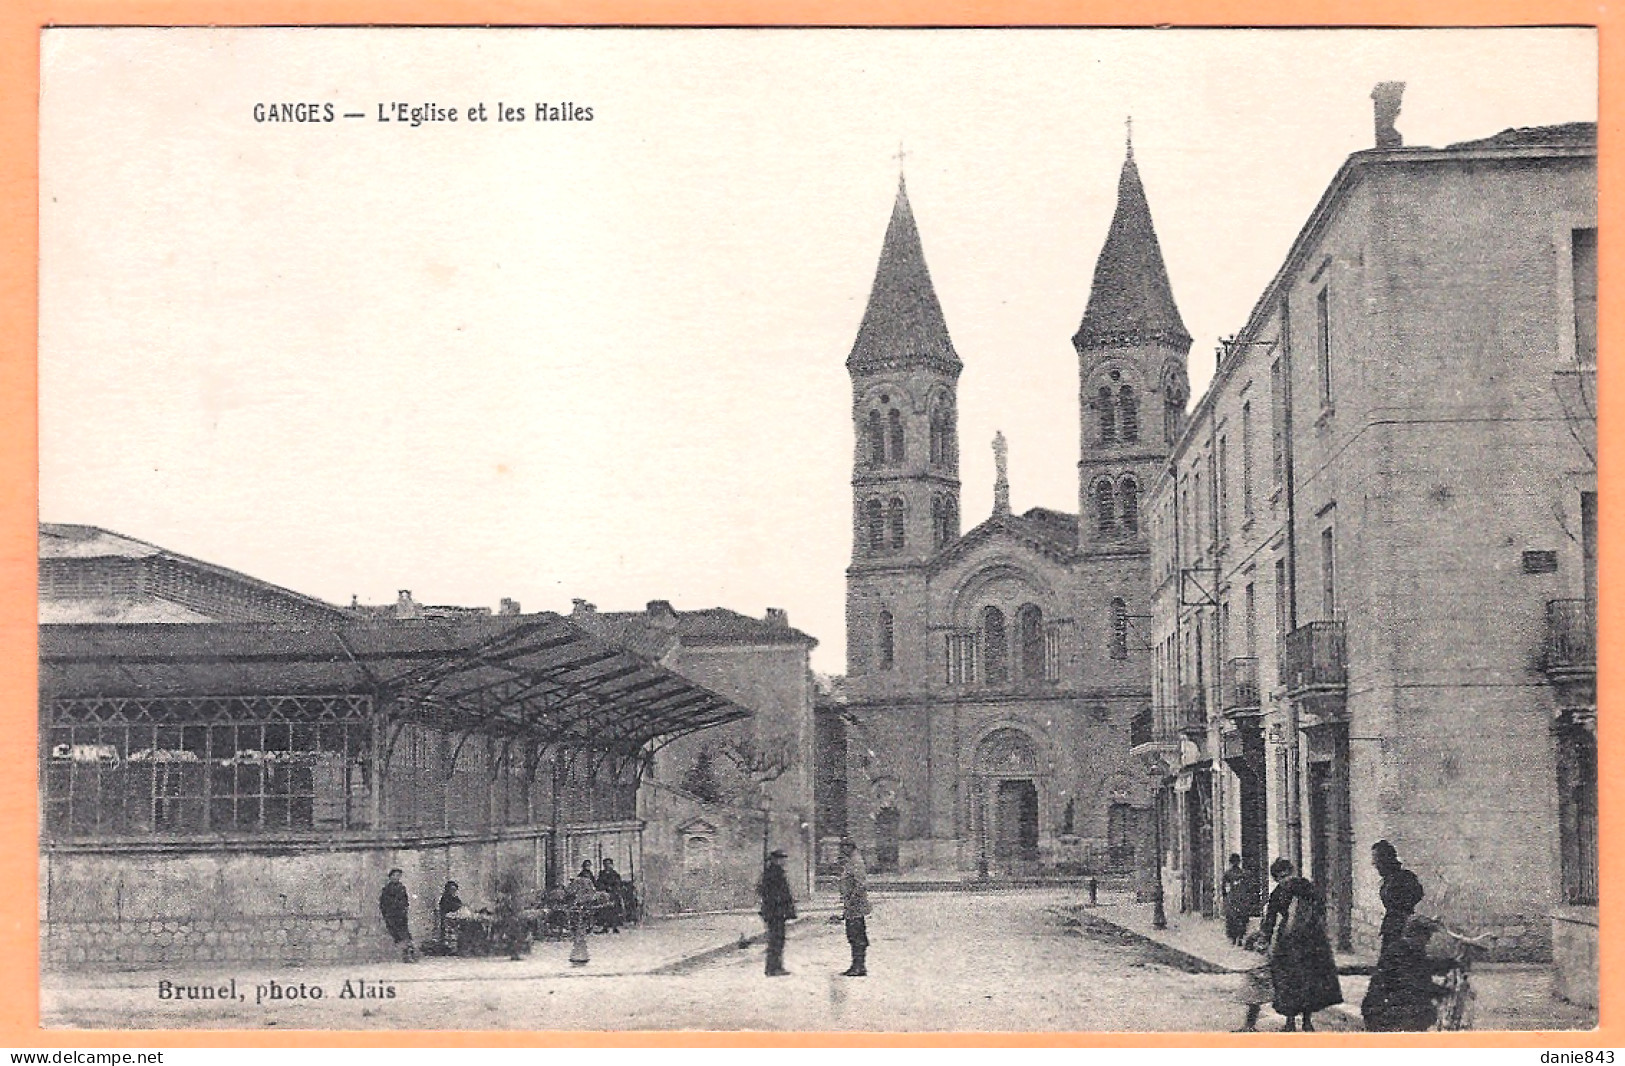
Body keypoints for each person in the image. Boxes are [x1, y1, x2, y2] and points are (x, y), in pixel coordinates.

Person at [1259, 858, 1342, 1031]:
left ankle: (1300, 1021)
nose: (1286, 879)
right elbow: (1271, 918)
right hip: (1299, 941)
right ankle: (1297, 1021)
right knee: (1297, 981)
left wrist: (1265, 938)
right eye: (1282, 877)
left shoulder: (1294, 888)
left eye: (1286, 875)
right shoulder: (1289, 891)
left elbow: (1319, 906)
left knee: (1300, 981)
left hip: (1302, 941)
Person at [1361, 915, 1455, 1032]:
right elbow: (1413, 983)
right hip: (1381, 1012)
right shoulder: (1398, 952)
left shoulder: (1410, 950)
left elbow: (1427, 966)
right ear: (1415, 934)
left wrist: (1451, 963)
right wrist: (1442, 991)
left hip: (1390, 1007)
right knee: (1423, 1012)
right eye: (1425, 936)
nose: (1427, 941)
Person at [1372, 840, 1425, 954]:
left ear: (1386, 859)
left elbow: (1418, 894)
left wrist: (1403, 909)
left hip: (1403, 926)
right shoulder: (1388, 879)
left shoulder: (1405, 877)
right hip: (1391, 925)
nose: (1374, 863)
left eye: (1376, 859)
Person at [756, 848, 797, 977]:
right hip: (775, 912)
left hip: (774, 911)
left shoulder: (772, 872)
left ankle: (775, 967)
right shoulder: (774, 873)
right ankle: (773, 968)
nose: (784, 861)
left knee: (776, 939)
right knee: (776, 940)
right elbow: (773, 893)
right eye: (781, 859)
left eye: (784, 859)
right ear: (775, 860)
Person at [837, 838, 871, 977]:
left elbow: (861, 884)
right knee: (854, 934)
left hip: (855, 905)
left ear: (850, 847)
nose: (842, 850)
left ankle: (858, 966)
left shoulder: (856, 862)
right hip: (852, 905)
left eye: (845, 847)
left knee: (856, 935)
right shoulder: (851, 861)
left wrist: (851, 901)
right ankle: (857, 965)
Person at [1234, 924, 1273, 1032]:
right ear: (1253, 944)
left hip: (1258, 987)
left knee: (1255, 1007)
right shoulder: (1254, 956)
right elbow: (1255, 969)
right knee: (1253, 1007)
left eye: (1265, 943)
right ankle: (1248, 1025)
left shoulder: (1265, 955)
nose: (1263, 947)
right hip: (1253, 987)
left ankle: (1250, 1025)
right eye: (1260, 943)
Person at [379, 868, 417, 963]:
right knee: (396, 934)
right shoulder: (386, 889)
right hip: (391, 915)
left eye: (398, 876)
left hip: (401, 915)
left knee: (404, 934)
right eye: (394, 875)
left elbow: (405, 901)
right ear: (390, 877)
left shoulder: (401, 888)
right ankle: (404, 953)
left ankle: (409, 954)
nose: (396, 878)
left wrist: (404, 909)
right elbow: (383, 903)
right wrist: (386, 913)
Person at [1221, 854, 1255, 946]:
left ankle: (1233, 938)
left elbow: (1224, 889)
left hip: (1232, 900)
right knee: (1242, 918)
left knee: (1232, 919)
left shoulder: (1227, 874)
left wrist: (1226, 898)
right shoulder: (1245, 874)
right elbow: (1250, 888)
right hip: (1242, 900)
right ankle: (1240, 937)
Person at [597, 859, 624, 933]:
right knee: (604, 910)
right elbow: (599, 883)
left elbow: (618, 884)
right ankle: (605, 927)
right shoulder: (602, 874)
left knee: (614, 911)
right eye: (605, 864)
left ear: (612, 865)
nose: (607, 865)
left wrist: (613, 889)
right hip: (604, 894)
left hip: (613, 894)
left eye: (608, 864)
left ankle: (614, 927)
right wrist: (604, 888)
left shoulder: (615, 874)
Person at [437, 879, 464, 953]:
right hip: (447, 918)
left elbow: (460, 905)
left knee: (454, 933)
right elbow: (445, 908)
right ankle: (447, 949)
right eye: (452, 889)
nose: (453, 891)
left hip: (454, 917)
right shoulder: (445, 898)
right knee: (448, 934)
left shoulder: (455, 898)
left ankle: (453, 948)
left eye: (454, 890)